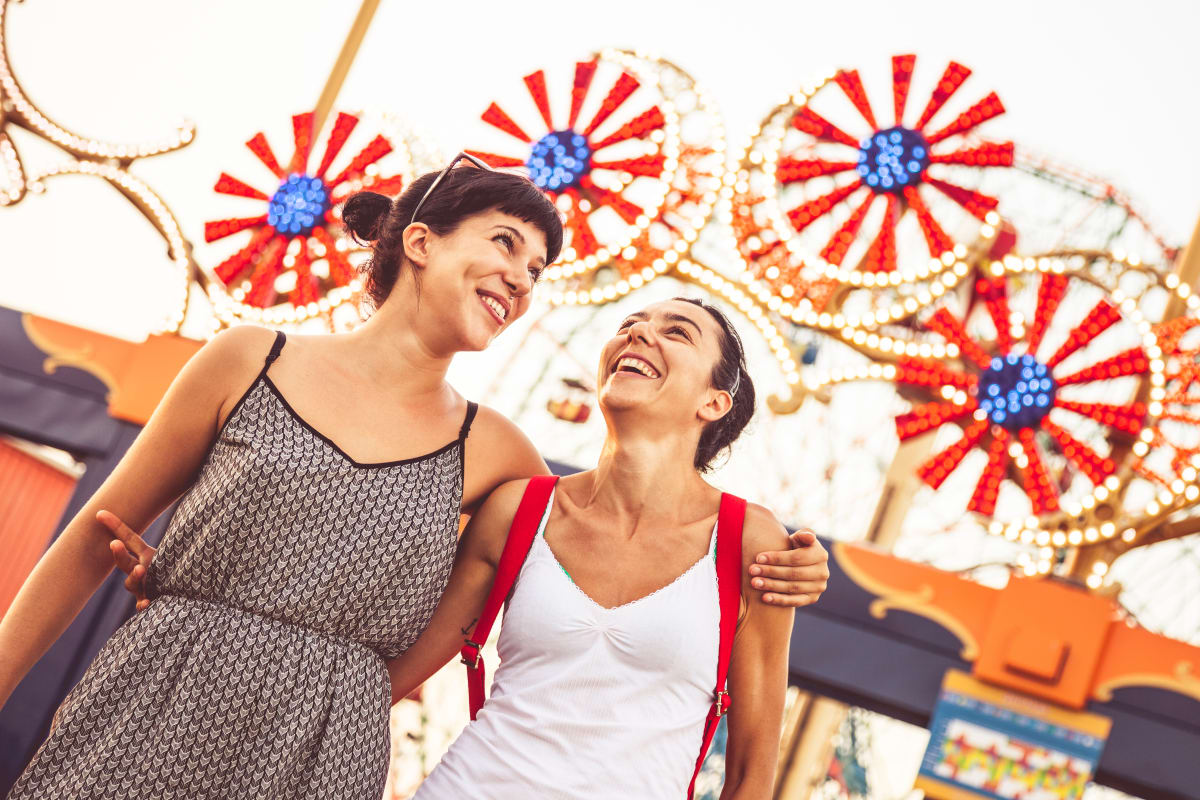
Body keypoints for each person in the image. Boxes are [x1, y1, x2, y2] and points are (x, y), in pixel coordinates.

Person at [0, 156, 826, 800]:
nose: (521, 278)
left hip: (324, 744)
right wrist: (202, 591)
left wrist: (797, 565)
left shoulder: (500, 455)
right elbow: (92, 535)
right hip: (164, 688)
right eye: (506, 244)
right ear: (422, 240)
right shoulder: (250, 357)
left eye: (536, 270)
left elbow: (594, 569)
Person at [384, 298, 797, 799]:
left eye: (678, 333)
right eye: (629, 324)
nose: (639, 333)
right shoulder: (520, 510)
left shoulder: (751, 545)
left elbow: (752, 772)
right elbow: (389, 681)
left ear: (713, 402)